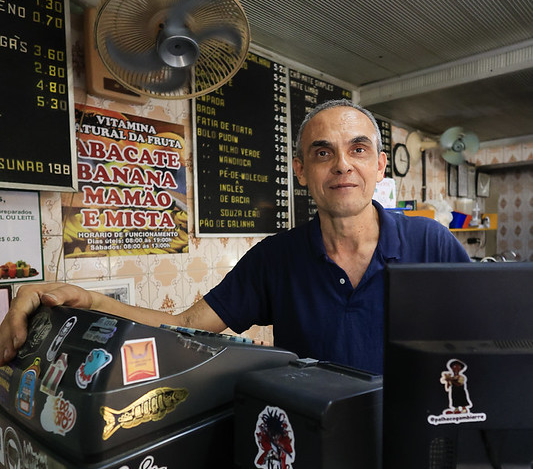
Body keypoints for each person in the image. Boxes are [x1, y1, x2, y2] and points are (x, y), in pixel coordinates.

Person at [0, 100, 469, 373]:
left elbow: (484, 345)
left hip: (417, 446)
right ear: (302, 172)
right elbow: (181, 326)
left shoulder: (432, 244)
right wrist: (89, 300)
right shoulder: (276, 259)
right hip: (319, 446)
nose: (343, 164)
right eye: (323, 153)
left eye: (358, 149)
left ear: (379, 166)